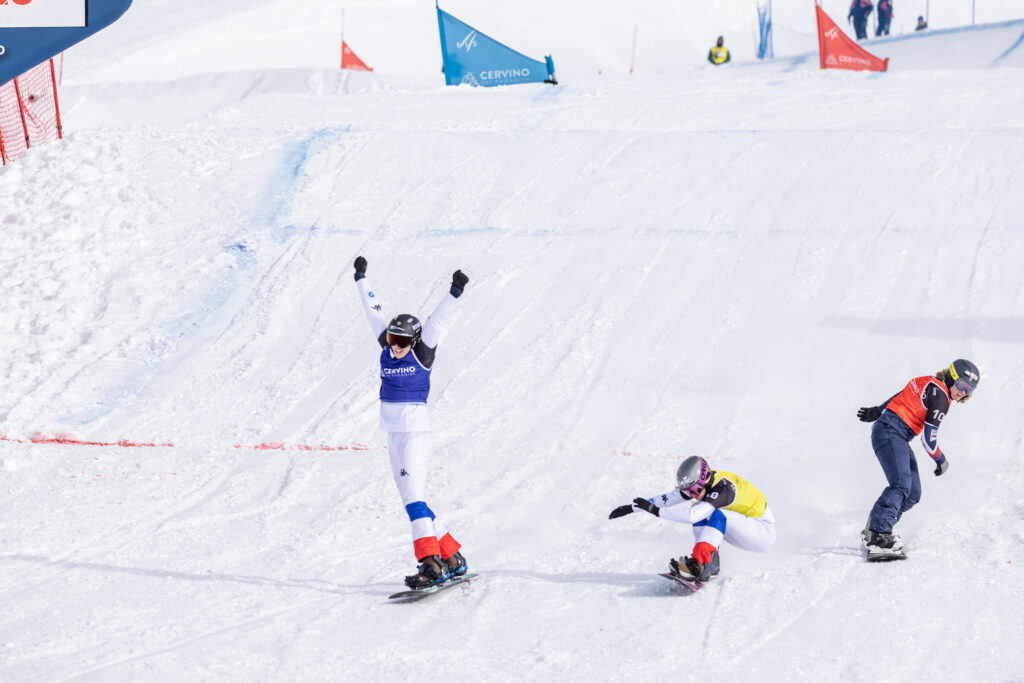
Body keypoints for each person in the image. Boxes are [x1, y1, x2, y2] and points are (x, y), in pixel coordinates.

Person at [353, 255, 470, 588]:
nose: (397, 347)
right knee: (412, 499)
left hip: (416, 431)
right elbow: (372, 312)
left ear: (415, 341)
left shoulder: (423, 353)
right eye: (393, 340)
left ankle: (431, 564)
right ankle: (451, 556)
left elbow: (437, 321)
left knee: (413, 501)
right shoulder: (387, 348)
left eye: (403, 342)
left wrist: (454, 291)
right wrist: (361, 279)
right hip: (393, 433)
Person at [856, 359, 980, 558]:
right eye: (962, 385)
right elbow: (929, 439)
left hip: (897, 435)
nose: (963, 392)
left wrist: (878, 410)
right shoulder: (941, 398)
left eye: (970, 390)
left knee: (913, 492)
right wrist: (941, 459)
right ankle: (878, 535)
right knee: (901, 485)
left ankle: (876, 526)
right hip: (890, 432)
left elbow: (901, 395)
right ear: (951, 377)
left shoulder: (928, 381)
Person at [609, 456, 776, 583]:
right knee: (700, 507)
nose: (692, 495)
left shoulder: (724, 489)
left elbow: (692, 517)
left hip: (762, 533)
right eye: (688, 492)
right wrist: (633, 507)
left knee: (711, 513)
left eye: (694, 490)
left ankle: (702, 563)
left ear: (702, 480)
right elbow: (670, 498)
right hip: (745, 526)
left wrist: (655, 511)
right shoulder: (703, 484)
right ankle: (709, 564)